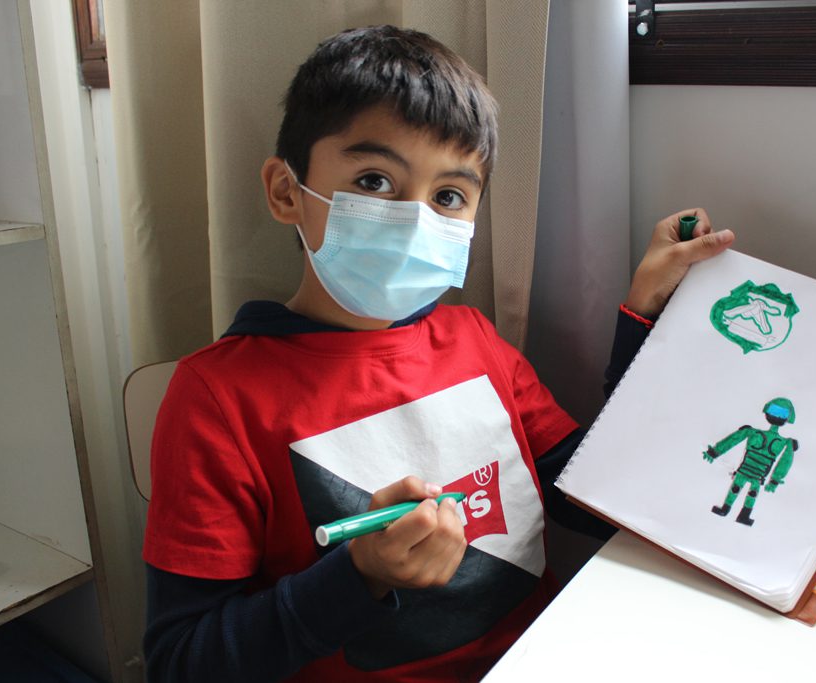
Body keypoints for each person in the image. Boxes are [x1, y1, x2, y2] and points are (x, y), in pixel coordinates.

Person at [142, 24, 734, 683]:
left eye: (449, 196)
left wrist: (644, 316)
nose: (415, 219)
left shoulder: (473, 339)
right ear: (287, 192)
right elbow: (181, 662)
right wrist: (358, 576)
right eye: (374, 180)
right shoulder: (216, 399)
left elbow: (594, 494)